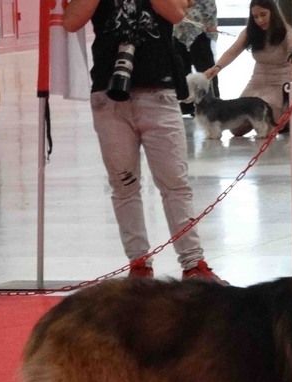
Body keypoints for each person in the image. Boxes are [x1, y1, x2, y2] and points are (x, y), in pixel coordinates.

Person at [62, 0, 223, 281]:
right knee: (124, 184)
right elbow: (71, 21)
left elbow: (175, 12)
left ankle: (193, 264)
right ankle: (139, 265)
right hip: (109, 93)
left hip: (159, 90)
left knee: (174, 182)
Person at [205, 0, 292, 128]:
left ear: (273, 12)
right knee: (237, 128)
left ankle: (287, 117)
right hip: (257, 81)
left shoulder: (287, 32)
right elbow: (232, 51)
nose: (260, 20)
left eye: (263, 14)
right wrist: (217, 67)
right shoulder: (250, 31)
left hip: (280, 82)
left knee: (269, 122)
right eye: (255, 16)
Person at [174, 0, 220, 113]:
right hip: (178, 31)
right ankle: (185, 106)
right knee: (181, 71)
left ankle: (213, 105)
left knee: (207, 71)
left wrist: (211, 27)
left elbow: (210, 7)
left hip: (200, 32)